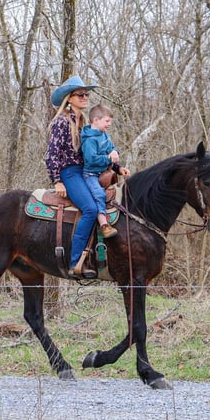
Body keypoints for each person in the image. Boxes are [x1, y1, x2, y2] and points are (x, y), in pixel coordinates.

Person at [44, 75, 100, 279]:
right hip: (70, 172)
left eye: (87, 94)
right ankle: (76, 260)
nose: (85, 97)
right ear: (69, 98)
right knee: (90, 209)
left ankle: (98, 255)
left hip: (86, 172)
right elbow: (51, 154)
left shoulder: (84, 123)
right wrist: (57, 180)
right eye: (80, 94)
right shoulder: (61, 122)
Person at [81, 103, 131, 239]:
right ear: (96, 120)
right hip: (90, 174)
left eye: (110, 121)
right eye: (107, 121)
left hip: (105, 173)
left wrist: (119, 168)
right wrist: (109, 158)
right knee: (99, 194)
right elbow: (92, 159)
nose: (109, 124)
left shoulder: (105, 135)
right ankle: (104, 225)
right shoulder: (89, 140)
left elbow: (112, 151)